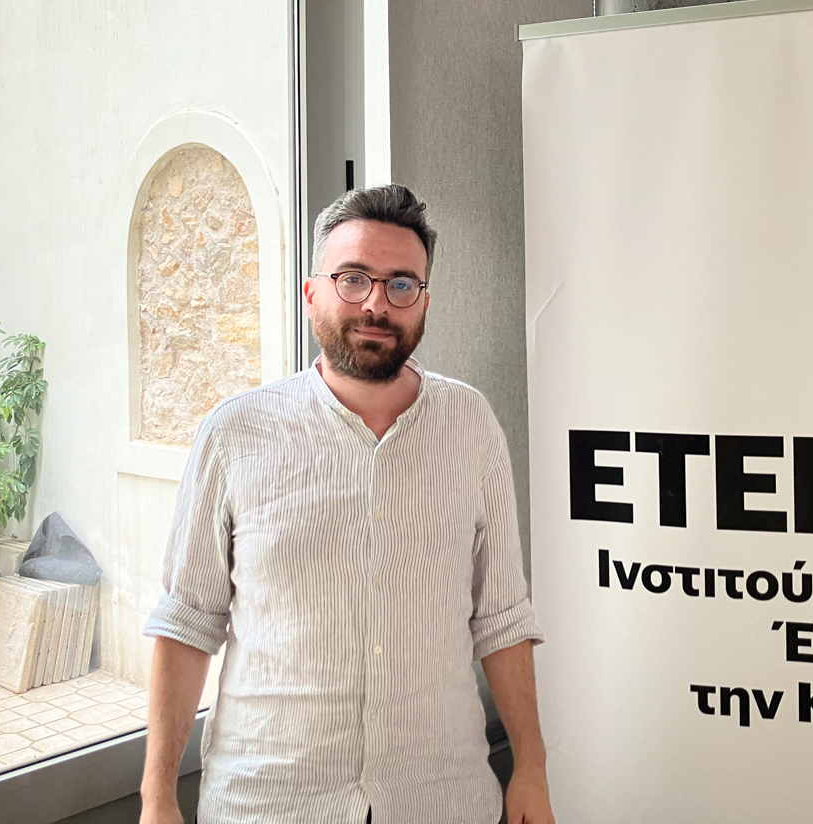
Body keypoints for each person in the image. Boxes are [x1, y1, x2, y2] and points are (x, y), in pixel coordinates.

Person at [138, 185, 554, 824]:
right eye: (352, 279)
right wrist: (157, 796)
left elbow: (501, 617)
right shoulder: (235, 431)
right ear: (312, 295)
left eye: (401, 285)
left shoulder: (471, 423)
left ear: (424, 302)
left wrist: (530, 768)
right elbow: (188, 622)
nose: (376, 305)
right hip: (268, 805)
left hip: (440, 800)